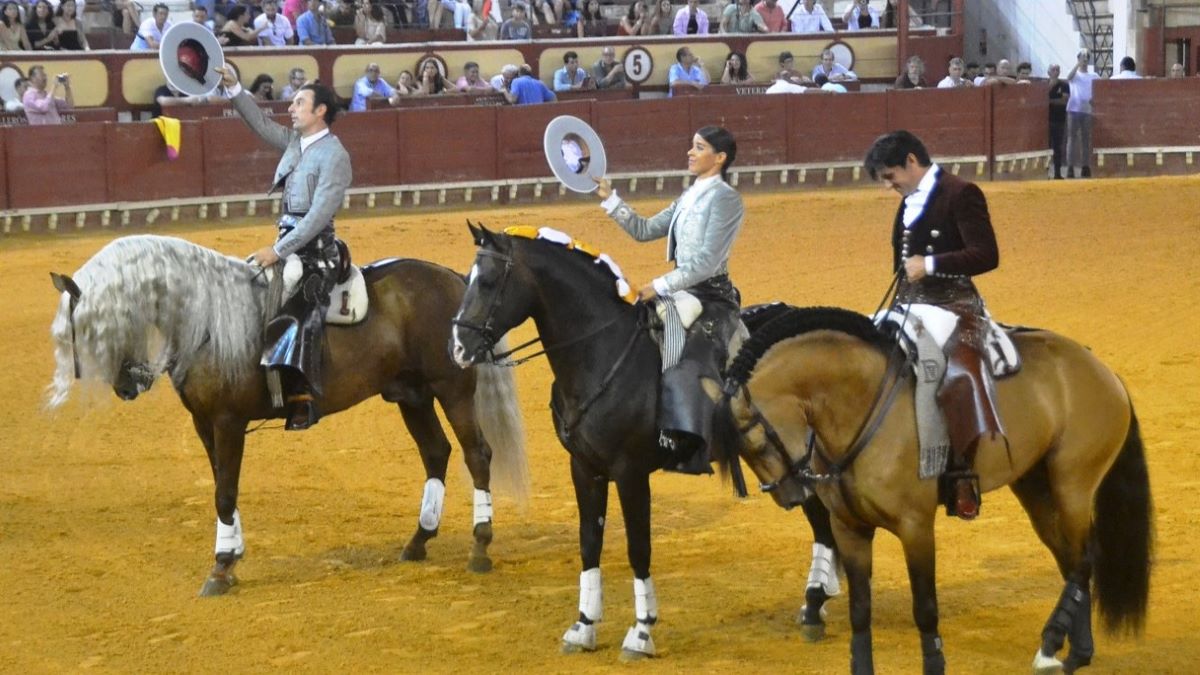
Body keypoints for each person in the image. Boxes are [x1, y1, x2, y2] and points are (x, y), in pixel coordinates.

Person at [864, 130, 1002, 521]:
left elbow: (986, 255)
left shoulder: (961, 193)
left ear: (912, 161)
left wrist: (932, 264)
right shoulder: (909, 200)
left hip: (956, 304)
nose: (889, 186)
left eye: (891, 176)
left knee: (960, 375)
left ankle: (962, 475)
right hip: (909, 304)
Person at [594, 126, 744, 473]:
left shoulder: (726, 199)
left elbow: (706, 263)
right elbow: (644, 230)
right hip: (681, 290)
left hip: (710, 295)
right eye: (691, 146)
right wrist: (609, 198)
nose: (690, 153)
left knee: (682, 355)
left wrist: (657, 285)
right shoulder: (690, 195)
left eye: (699, 147)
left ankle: (688, 440)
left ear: (719, 158)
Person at [215, 63, 352, 431]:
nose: (290, 108)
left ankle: (302, 396)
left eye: (298, 102)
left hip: (319, 253)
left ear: (320, 110)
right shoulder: (296, 142)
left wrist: (278, 251)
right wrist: (234, 88)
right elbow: (260, 125)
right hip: (287, 244)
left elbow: (316, 218)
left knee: (300, 310)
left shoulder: (335, 156)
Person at [1066, 49, 1099, 178]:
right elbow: (1068, 77)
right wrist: (1077, 64)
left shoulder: (1094, 76)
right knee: (1071, 139)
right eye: (1082, 57)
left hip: (1087, 110)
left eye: (1086, 58)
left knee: (1086, 139)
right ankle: (1070, 167)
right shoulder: (1075, 74)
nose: (1085, 60)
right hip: (1073, 109)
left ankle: (1085, 166)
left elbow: (1100, 90)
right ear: (1078, 59)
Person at [1047, 64, 1068, 179]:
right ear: (1048, 72)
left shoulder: (1064, 85)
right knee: (1046, 147)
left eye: (1057, 70)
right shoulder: (1045, 85)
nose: (1055, 72)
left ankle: (1057, 173)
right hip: (1046, 120)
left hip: (1059, 119)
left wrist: (1048, 100)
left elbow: (1064, 101)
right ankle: (1046, 173)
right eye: (1053, 70)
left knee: (1057, 147)